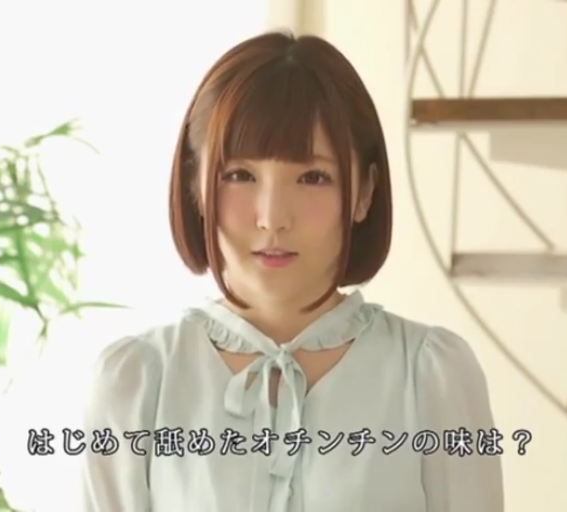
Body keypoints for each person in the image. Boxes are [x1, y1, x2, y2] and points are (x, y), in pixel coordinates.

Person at [80, 30, 503, 511]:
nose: (273, 218)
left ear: (364, 191)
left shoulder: (432, 376)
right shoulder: (136, 382)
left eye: (312, 177)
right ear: (195, 185)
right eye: (240, 175)